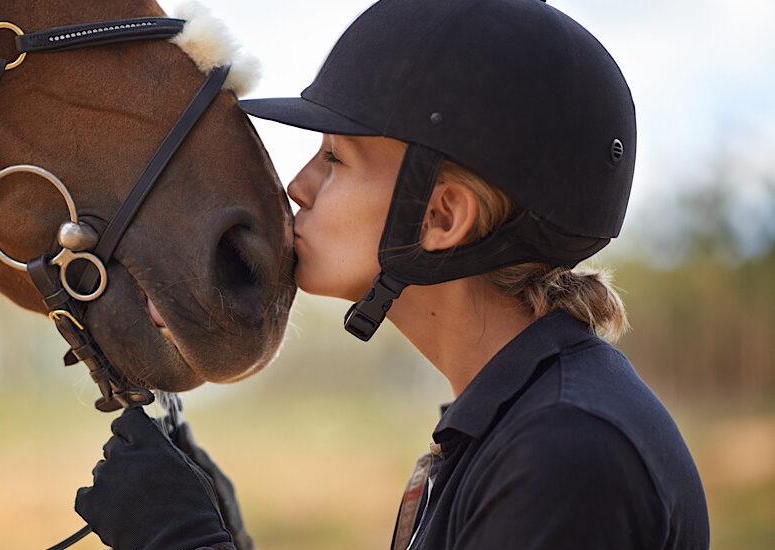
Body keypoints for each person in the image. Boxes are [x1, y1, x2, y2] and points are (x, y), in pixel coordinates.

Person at [73, 0, 710, 548]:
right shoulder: (522, 422)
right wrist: (230, 534)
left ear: (440, 216)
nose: (299, 186)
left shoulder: (566, 453)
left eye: (335, 159)